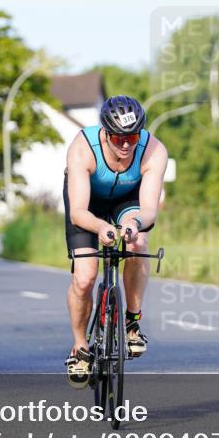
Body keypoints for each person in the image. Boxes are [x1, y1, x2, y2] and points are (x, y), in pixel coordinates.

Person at [62, 96, 168, 388]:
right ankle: (80, 347)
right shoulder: (83, 147)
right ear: (105, 133)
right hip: (88, 205)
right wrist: (100, 227)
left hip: (128, 200)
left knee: (138, 243)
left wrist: (132, 225)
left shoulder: (154, 150)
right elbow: (78, 212)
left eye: (132, 136)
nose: (125, 145)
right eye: (118, 137)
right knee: (84, 279)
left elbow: (148, 210)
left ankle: (132, 323)